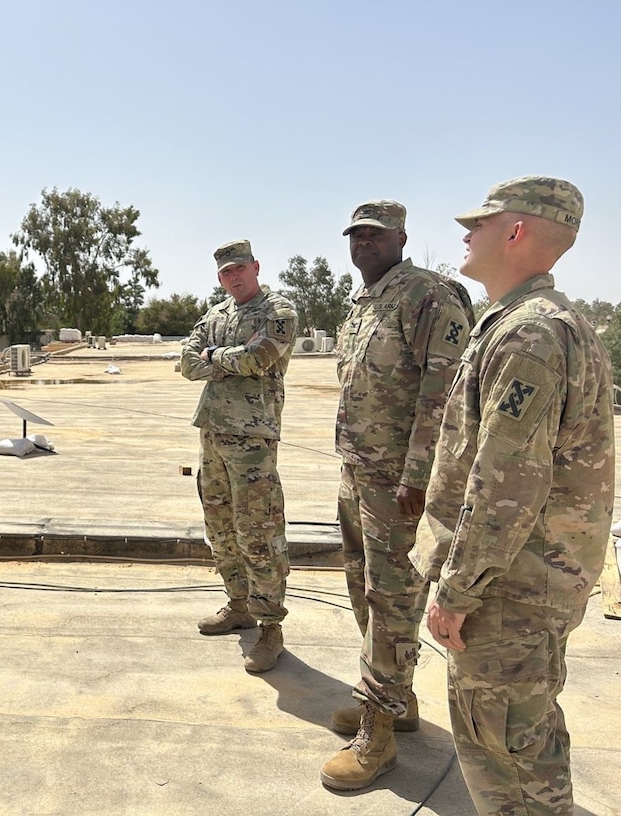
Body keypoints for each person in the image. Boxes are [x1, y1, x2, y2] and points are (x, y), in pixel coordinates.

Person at [410, 176, 614, 816]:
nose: (465, 234)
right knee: (522, 743)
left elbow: (506, 485)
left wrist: (457, 588)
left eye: (481, 222)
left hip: (510, 591)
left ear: (517, 231)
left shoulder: (530, 334)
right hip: (529, 581)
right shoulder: (534, 323)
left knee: (507, 758)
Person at [320, 201, 475, 790]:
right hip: (359, 472)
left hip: (399, 484)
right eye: (356, 236)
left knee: (391, 601)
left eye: (375, 236)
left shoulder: (428, 295)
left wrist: (419, 476)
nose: (363, 244)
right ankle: (393, 703)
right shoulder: (366, 302)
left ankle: (377, 739)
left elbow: (444, 392)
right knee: (363, 588)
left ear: (401, 238)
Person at [180, 239, 297, 673]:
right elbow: (187, 363)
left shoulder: (277, 311)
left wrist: (214, 356)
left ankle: (271, 627)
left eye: (240, 269)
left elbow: (260, 358)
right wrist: (223, 356)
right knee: (221, 525)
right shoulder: (216, 314)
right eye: (226, 272)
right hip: (212, 434)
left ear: (256, 267)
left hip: (253, 440)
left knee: (259, 530)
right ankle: (238, 604)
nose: (234, 277)